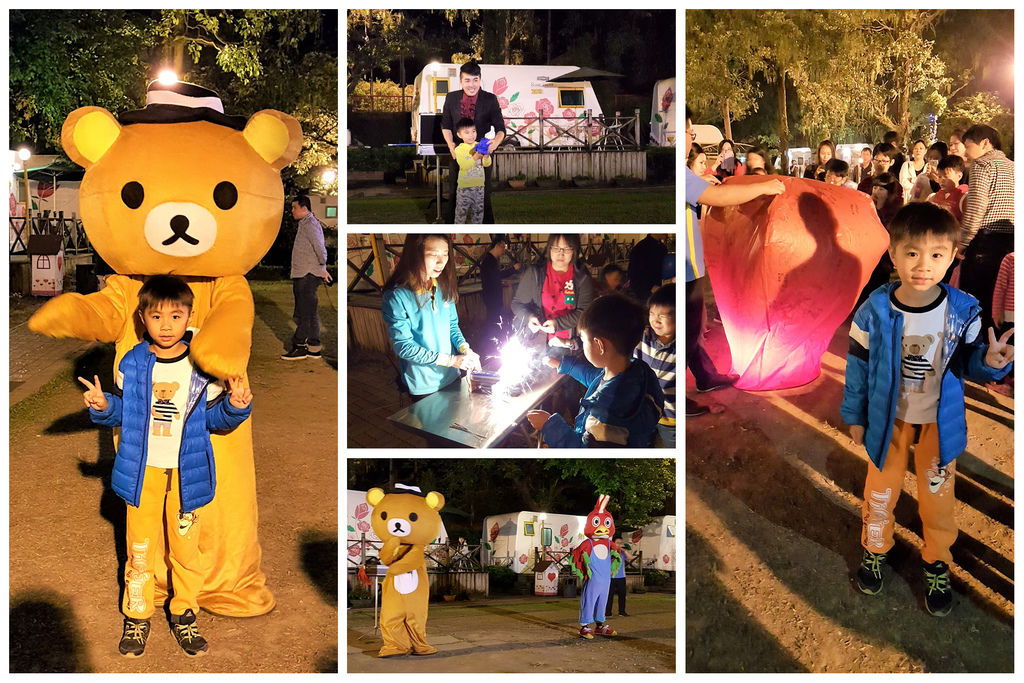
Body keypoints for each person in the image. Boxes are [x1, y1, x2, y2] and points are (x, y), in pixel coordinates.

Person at [841, 202, 1013, 616]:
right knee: (879, 494)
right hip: (888, 423)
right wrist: (855, 415)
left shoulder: (963, 310)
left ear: (953, 256)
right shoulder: (874, 310)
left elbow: (969, 363)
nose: (924, 265)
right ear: (893, 255)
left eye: (937, 254)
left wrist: (991, 363)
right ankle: (875, 547)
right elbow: (858, 367)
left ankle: (937, 559)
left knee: (937, 500)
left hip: (939, 427)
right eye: (912, 253)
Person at [80, 274, 253, 657]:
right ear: (142, 318)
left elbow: (213, 419)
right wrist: (106, 407)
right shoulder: (133, 362)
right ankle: (137, 616)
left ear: (190, 317)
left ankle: (185, 614)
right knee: (139, 549)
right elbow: (126, 412)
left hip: (186, 477)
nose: (166, 325)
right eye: (156, 317)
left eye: (176, 316)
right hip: (142, 475)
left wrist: (236, 407)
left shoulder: (202, 363)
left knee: (185, 551)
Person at [684, 106, 784, 416]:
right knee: (684, 331)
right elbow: (719, 199)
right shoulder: (679, 170)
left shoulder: (686, 174)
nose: (690, 136)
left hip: (691, 266)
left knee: (690, 329)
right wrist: (766, 187)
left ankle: (705, 377)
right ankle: (673, 395)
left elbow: (708, 193)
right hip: (685, 269)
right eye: (688, 131)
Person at [526, 294, 664, 447]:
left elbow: (583, 453)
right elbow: (598, 380)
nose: (583, 344)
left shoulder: (604, 416)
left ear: (599, 345)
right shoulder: (638, 371)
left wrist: (549, 425)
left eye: (584, 340)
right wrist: (564, 365)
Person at [382, 234, 481, 401]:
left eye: (445, 254)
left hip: (452, 375)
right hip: (424, 384)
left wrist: (465, 349)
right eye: (433, 254)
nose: (441, 262)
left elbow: (452, 325)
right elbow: (404, 346)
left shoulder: (443, 286)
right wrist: (450, 360)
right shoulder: (397, 296)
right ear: (415, 255)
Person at [957, 124, 1014, 332]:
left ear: (984, 143)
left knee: (976, 303)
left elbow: (976, 208)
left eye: (968, 145)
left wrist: (962, 243)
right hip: (1010, 244)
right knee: (1000, 302)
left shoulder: (982, 165)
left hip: (985, 243)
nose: (966, 151)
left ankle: (974, 353)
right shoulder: (1014, 166)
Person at [441, 61, 506, 224]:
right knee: (455, 193)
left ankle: (489, 232)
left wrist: (495, 144)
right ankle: (450, 233)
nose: (472, 85)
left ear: (480, 80)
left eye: (475, 80)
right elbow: (446, 125)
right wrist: (451, 145)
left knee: (484, 195)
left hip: (483, 154)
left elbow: (500, 128)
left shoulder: (490, 99)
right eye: (467, 80)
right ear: (461, 81)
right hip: (459, 153)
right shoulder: (451, 98)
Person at [511, 234, 594, 356]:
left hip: (569, 345)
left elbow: (585, 312)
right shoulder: (535, 273)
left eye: (566, 249)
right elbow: (517, 304)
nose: (561, 253)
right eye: (556, 248)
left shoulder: (582, 277)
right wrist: (529, 317)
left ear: (574, 250)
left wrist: (557, 324)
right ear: (549, 249)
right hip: (538, 342)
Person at [281, 196, 331, 360]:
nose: (292, 211)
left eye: (294, 207)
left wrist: (322, 265)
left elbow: (319, 247)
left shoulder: (310, 224)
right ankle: (314, 347)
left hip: (306, 275)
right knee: (310, 312)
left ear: (304, 208)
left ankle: (299, 345)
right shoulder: (306, 224)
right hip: (306, 273)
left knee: (305, 313)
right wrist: (322, 269)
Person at [635, 284, 676, 447]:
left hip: (670, 417)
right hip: (643, 411)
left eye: (663, 315)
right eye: (652, 313)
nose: (655, 320)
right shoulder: (642, 337)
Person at [479, 234, 521, 354]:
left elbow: (494, 278)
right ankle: (491, 346)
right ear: (498, 246)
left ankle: (493, 344)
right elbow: (496, 276)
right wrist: (513, 269)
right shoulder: (489, 261)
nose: (503, 251)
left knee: (495, 320)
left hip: (492, 296)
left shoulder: (490, 260)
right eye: (503, 247)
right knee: (494, 321)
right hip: (492, 297)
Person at [452, 117, 492, 224]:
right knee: (461, 214)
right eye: (467, 132)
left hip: (479, 187)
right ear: (459, 135)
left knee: (478, 214)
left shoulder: (479, 145)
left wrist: (487, 155)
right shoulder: (459, 149)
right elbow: (464, 165)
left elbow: (487, 164)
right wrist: (476, 157)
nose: (471, 135)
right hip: (464, 188)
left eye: (473, 131)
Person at [990, 252, 1014, 397]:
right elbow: (1001, 288)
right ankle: (1003, 383)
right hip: (1011, 316)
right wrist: (997, 312)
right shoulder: (1011, 258)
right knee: (1008, 351)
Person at [929, 155, 969, 224]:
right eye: (939, 176)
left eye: (946, 176)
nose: (942, 180)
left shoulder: (964, 197)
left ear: (959, 176)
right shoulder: (933, 197)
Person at [627, 234, 668, 300]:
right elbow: (633, 274)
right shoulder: (641, 248)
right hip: (645, 293)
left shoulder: (662, 247)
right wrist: (650, 287)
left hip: (659, 290)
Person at [606, 534, 632, 618]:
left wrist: (624, 551)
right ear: (613, 543)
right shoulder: (609, 552)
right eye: (617, 543)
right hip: (611, 577)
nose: (619, 544)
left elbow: (630, 558)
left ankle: (622, 611)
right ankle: (608, 612)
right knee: (610, 595)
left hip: (621, 577)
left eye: (621, 543)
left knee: (622, 595)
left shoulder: (622, 553)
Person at [899, 139, 928, 204]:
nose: (918, 151)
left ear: (925, 151)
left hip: (923, 201)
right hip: (908, 199)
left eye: (921, 148)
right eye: (916, 148)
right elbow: (903, 182)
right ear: (913, 151)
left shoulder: (928, 167)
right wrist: (919, 186)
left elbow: (927, 185)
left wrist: (912, 180)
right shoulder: (907, 165)